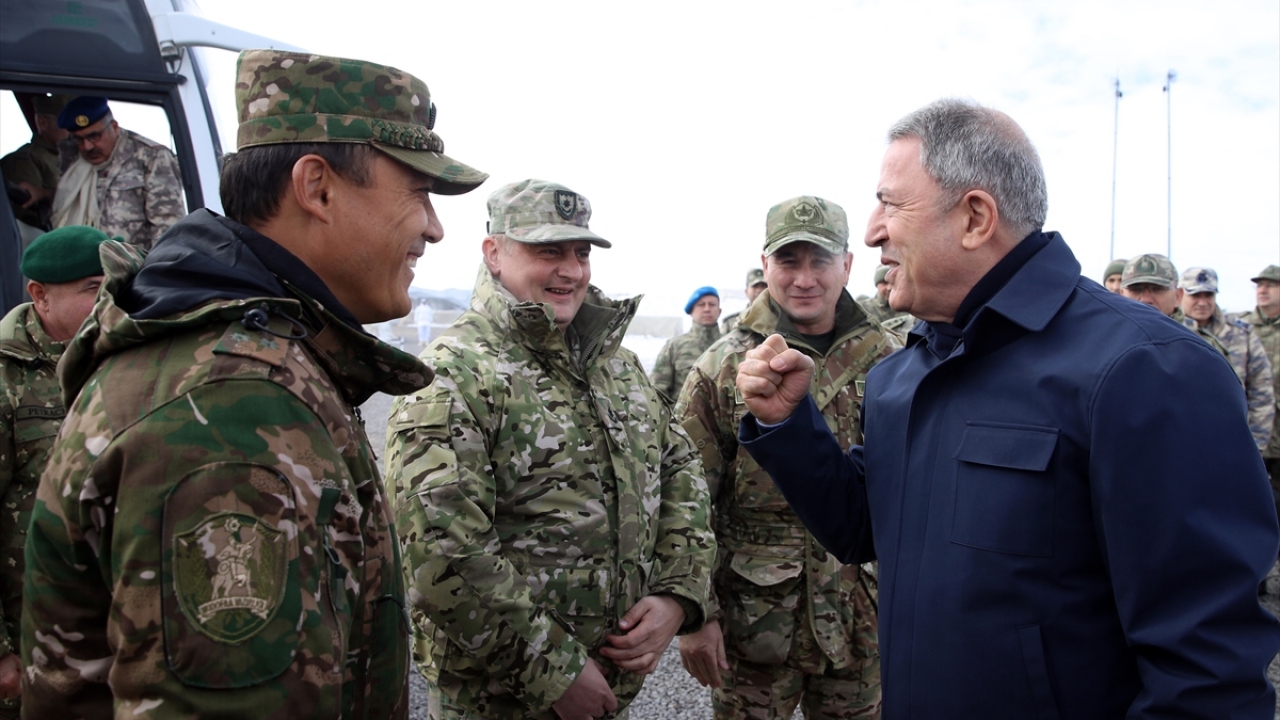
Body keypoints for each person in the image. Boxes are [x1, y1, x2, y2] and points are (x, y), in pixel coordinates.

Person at [734, 98, 1279, 718]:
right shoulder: (903, 373)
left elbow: (1206, 673)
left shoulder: (1146, 369)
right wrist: (787, 425)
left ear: (974, 218)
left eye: (891, 202)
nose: (871, 230)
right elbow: (865, 527)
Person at [21, 49, 487, 719]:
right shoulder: (230, 410)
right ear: (317, 187)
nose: (434, 228)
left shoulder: (255, 354)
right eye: (418, 191)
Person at [384, 178, 715, 720]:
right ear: (494, 253)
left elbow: (681, 469)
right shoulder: (451, 374)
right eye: (548, 251)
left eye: (581, 252)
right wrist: (552, 671)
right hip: (499, 700)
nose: (572, 270)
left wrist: (678, 595)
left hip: (608, 689)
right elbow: (439, 550)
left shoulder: (617, 367)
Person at [676, 195, 895, 719]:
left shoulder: (891, 360)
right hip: (754, 627)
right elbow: (683, 499)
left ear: (846, 264)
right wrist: (695, 613)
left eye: (819, 260)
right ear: (766, 264)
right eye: (788, 261)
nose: (804, 279)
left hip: (861, 621)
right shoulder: (723, 367)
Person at [0, 226, 108, 718]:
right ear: (40, 296)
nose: (109, 300)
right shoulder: (7, 378)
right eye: (92, 288)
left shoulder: (117, 358)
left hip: (110, 633)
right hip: (29, 642)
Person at [50, 96, 186, 250]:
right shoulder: (72, 158)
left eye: (94, 136)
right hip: (80, 267)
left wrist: (153, 272)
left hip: (134, 269)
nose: (87, 146)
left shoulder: (151, 156)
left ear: (114, 127)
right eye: (79, 139)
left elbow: (169, 229)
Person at [1179, 266, 1274, 454]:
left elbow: (1261, 392)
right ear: (1180, 295)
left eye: (1208, 295)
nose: (1203, 302)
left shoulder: (1242, 334)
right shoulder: (1168, 332)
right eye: (1195, 296)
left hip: (1234, 444)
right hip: (1183, 445)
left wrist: (1254, 448)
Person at [1119, 253, 1229, 357]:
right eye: (1136, 290)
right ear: (1121, 294)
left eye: (1157, 289)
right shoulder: (1108, 339)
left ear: (1178, 296)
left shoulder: (1203, 347)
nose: (1146, 299)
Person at [0, 94, 69, 239]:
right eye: (66, 121)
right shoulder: (25, 160)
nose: (73, 129)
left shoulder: (74, 156)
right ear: (43, 123)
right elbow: (26, 218)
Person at [1237, 264, 1280, 494]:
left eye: (1271, 285)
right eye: (1259, 285)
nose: (1263, 290)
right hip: (1252, 430)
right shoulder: (1241, 328)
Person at [652, 286, 722, 400]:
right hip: (682, 416)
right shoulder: (674, 346)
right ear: (691, 311)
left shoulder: (731, 346)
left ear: (719, 311)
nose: (707, 309)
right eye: (701, 305)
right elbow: (658, 390)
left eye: (712, 304)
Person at [858, 264, 914, 332]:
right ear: (877, 285)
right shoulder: (863, 310)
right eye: (884, 283)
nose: (889, 288)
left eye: (893, 282)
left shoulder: (911, 308)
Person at [721, 268, 767, 334]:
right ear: (746, 292)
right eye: (755, 286)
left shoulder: (779, 320)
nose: (759, 290)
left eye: (763, 286)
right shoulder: (731, 323)